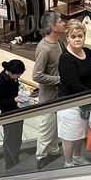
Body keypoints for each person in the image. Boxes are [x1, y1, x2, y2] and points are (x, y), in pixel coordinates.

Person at [57, 19, 91, 167]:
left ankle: (77, 157)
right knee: (70, 135)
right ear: (67, 38)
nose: (77, 39)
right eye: (73, 36)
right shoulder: (65, 59)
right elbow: (74, 85)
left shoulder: (88, 52)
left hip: (87, 103)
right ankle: (68, 163)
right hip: (70, 104)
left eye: (80, 36)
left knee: (80, 133)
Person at [33, 12, 65, 163]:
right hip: (48, 97)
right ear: (53, 26)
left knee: (55, 126)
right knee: (46, 128)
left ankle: (53, 151)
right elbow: (37, 75)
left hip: (59, 95)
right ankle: (41, 157)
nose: (63, 23)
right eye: (60, 21)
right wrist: (59, 79)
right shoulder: (45, 48)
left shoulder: (59, 42)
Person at [0, 60, 26, 169]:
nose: (18, 76)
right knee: (10, 139)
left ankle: (15, 159)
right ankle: (10, 163)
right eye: (17, 75)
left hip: (17, 111)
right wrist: (13, 100)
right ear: (10, 72)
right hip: (8, 114)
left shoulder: (13, 78)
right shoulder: (1, 81)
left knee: (17, 138)